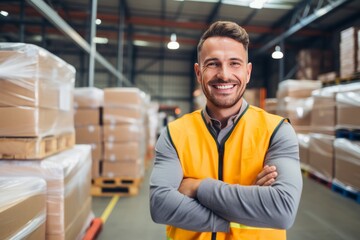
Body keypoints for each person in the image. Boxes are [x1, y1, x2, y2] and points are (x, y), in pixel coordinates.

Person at [149, 20, 302, 240]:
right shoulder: (174, 134)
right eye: (212, 64)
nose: (224, 74)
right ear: (198, 72)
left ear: (248, 72)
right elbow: (160, 205)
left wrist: (198, 187)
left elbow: (282, 210)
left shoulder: (277, 131)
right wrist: (250, 209)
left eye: (234, 63)